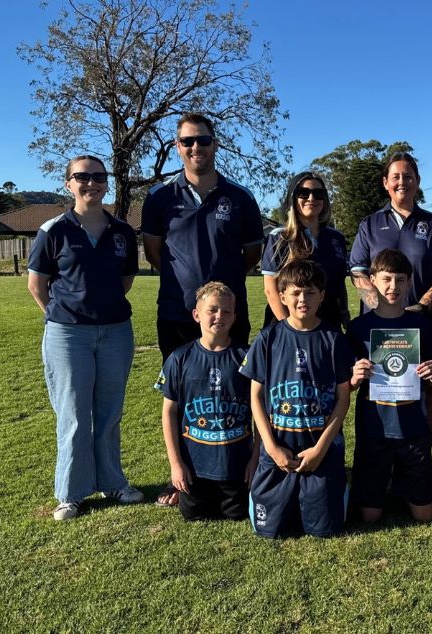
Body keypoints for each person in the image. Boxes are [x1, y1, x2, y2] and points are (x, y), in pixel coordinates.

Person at [142, 112, 264, 507]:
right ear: (178, 147)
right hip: (177, 314)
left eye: (204, 140)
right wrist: (193, 296)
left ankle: (241, 468)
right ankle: (181, 476)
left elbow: (251, 255)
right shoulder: (160, 198)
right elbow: (155, 253)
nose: (196, 147)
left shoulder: (241, 197)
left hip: (230, 316)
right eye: (188, 141)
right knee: (181, 397)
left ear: (215, 144)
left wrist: (218, 295)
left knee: (237, 394)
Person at [27, 155, 143, 520]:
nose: (90, 182)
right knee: (74, 414)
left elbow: (125, 281)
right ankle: (72, 493)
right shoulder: (54, 229)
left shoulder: (123, 232)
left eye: (97, 177)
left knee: (109, 412)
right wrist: (63, 317)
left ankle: (113, 482)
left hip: (115, 332)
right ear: (68, 184)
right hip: (67, 334)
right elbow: (37, 284)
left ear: (106, 183)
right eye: (82, 177)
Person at [240, 260, 353, 538]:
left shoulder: (333, 339)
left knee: (324, 530)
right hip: (279, 448)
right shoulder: (268, 338)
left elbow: (343, 399)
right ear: (282, 296)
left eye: (311, 292)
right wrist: (271, 447)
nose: (303, 299)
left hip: (320, 450)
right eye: (295, 293)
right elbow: (255, 396)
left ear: (322, 296)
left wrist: (320, 449)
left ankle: (337, 484)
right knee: (269, 530)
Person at [346, 250, 432, 523]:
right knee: (370, 517)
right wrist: (355, 377)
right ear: (372, 280)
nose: (393, 287)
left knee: (425, 516)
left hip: (413, 427)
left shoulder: (422, 325)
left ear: (409, 283)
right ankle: (382, 484)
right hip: (374, 428)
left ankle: (403, 483)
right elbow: (348, 385)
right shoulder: (359, 328)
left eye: (401, 280)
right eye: (386, 279)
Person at [348, 152, 432, 378]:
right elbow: (358, 272)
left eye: (408, 176)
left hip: (426, 323)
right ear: (385, 182)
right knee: (375, 385)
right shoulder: (369, 224)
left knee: (426, 387)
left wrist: (419, 309)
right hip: (378, 327)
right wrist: (382, 307)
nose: (402, 182)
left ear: (417, 181)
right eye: (395, 177)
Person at [155, 282, 257, 522]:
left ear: (234, 317)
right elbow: (169, 412)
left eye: (226, 311)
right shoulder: (179, 358)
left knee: (237, 514)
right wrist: (176, 464)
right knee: (193, 514)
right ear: (196, 314)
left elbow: (260, 411)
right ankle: (182, 492)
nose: (219, 316)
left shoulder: (248, 357)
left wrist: (255, 460)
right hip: (194, 468)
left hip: (236, 467)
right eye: (212, 310)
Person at [261, 171, 349, 331]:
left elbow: (340, 286)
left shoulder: (336, 238)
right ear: (292, 198)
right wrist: (288, 328)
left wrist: (346, 318)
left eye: (318, 193)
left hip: (328, 324)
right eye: (303, 193)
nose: (311, 198)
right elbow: (270, 290)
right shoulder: (279, 238)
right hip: (287, 325)